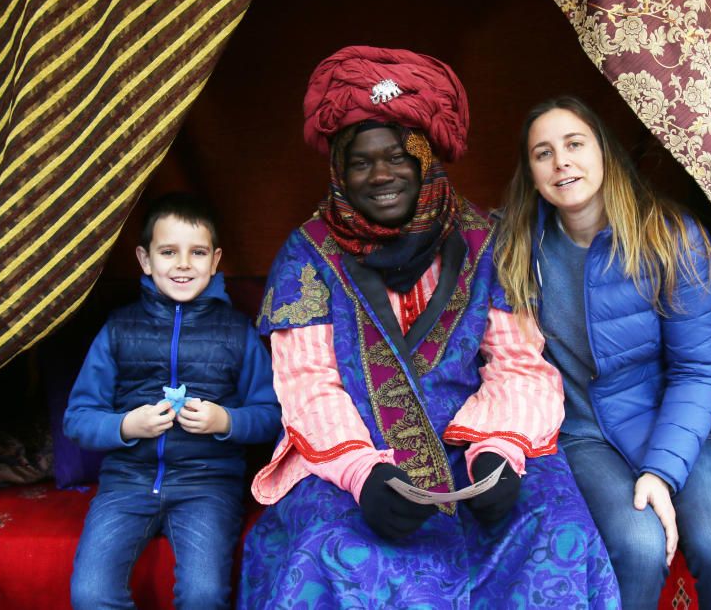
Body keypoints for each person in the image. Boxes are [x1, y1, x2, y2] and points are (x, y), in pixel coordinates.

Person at [240, 47, 620, 608]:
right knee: (331, 548)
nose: (382, 175)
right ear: (340, 172)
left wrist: (498, 450)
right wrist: (361, 473)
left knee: (556, 527)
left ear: (423, 160)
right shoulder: (307, 254)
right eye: (361, 163)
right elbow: (307, 385)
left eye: (397, 156)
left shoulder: (483, 240)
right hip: (352, 457)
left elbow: (518, 362)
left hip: (473, 447)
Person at [494, 95, 711, 609]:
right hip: (581, 433)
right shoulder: (515, 248)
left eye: (575, 144)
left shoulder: (669, 237)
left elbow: (699, 370)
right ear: (531, 175)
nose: (562, 162)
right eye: (543, 153)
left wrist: (661, 472)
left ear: (604, 153)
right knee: (637, 546)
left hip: (670, 416)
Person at [64, 192, 281, 610]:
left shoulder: (237, 331)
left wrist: (225, 421)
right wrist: (127, 426)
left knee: (203, 595)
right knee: (90, 594)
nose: (183, 264)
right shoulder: (118, 327)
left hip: (208, 486)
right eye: (169, 252)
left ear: (216, 260)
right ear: (145, 260)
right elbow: (78, 418)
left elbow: (272, 416)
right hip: (126, 483)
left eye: (197, 252)